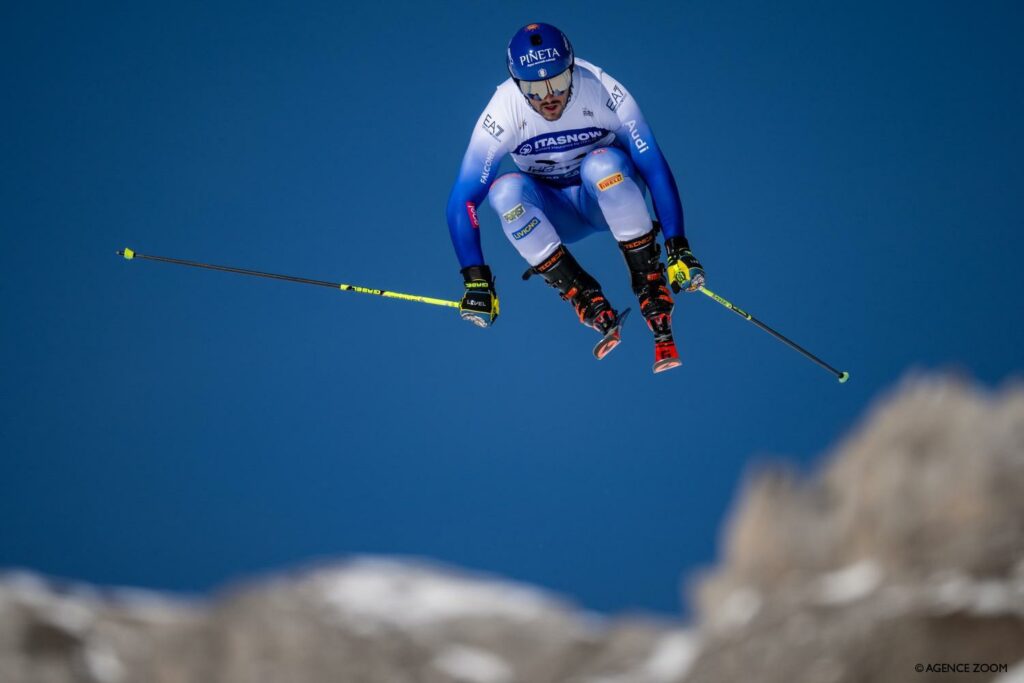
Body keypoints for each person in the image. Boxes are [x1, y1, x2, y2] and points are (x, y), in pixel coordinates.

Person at [445, 22, 705, 372]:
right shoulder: (502, 111)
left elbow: (653, 166)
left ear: (572, 69)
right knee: (504, 192)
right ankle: (584, 296)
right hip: (556, 213)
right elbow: (462, 201)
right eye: (534, 88)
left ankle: (651, 283)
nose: (548, 96)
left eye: (558, 82)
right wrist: (475, 279)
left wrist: (678, 247)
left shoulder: (602, 89)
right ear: (517, 84)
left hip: (604, 198)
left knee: (602, 165)